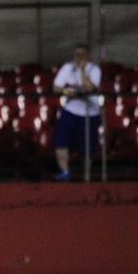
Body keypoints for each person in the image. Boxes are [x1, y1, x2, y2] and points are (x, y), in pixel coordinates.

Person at [52, 44, 101, 181]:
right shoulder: (68, 68)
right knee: (60, 140)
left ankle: (86, 176)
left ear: (88, 56)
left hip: (90, 112)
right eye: (77, 55)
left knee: (88, 147)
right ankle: (65, 171)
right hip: (70, 110)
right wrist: (68, 92)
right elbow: (56, 88)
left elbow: (90, 88)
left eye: (82, 55)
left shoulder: (94, 69)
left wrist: (82, 71)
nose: (79, 58)